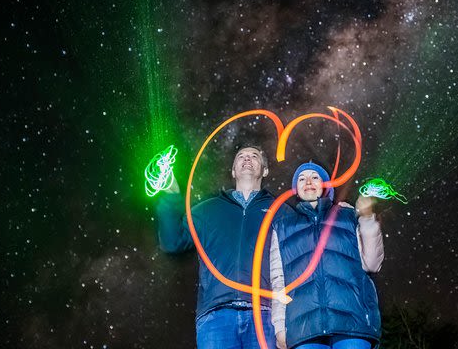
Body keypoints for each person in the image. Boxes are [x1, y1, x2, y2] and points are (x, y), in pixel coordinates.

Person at [156, 145, 278, 349]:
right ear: (233, 170)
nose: (247, 159)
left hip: (264, 315)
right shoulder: (208, 210)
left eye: (254, 156)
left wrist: (339, 210)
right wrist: (170, 198)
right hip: (216, 315)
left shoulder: (279, 210)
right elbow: (172, 242)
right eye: (241, 156)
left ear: (264, 170)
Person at [270, 162, 384, 349]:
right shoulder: (283, 227)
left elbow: (372, 263)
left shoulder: (347, 215)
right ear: (296, 189)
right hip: (304, 330)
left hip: (352, 323)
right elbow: (278, 281)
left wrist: (367, 218)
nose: (308, 181)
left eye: (315, 177)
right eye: (301, 178)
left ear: (325, 186)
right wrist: (280, 328)